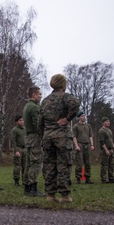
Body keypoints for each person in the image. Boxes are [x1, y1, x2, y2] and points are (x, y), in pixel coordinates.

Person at [39, 74, 79, 203]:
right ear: (63, 84)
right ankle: (64, 195)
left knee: (49, 165)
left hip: (48, 137)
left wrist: (44, 134)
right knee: (64, 165)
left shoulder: (45, 101)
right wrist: (67, 119)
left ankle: (50, 195)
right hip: (62, 136)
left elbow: (40, 122)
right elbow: (75, 104)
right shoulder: (65, 97)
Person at [22, 86, 45, 197]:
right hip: (35, 138)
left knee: (28, 163)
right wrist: (43, 136)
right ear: (34, 95)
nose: (41, 96)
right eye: (39, 94)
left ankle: (27, 187)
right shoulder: (34, 107)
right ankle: (33, 188)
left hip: (29, 138)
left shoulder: (27, 106)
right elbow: (37, 125)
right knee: (35, 163)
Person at [72, 111, 95, 184]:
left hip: (87, 145)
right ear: (79, 117)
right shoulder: (76, 126)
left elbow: (90, 136)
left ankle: (87, 178)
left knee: (88, 162)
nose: (84, 117)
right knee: (79, 162)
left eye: (84, 116)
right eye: (82, 116)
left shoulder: (88, 126)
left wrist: (92, 145)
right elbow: (74, 137)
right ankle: (78, 178)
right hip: (80, 144)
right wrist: (76, 146)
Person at [10, 115, 26, 186]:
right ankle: (16, 180)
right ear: (16, 122)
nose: (22, 121)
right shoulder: (14, 130)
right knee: (17, 166)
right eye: (20, 120)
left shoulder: (25, 129)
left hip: (25, 148)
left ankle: (25, 180)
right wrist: (16, 151)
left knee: (25, 166)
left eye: (22, 120)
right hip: (18, 148)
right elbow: (13, 141)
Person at [98, 117, 114, 183]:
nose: (108, 122)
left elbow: (110, 139)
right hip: (105, 150)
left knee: (111, 165)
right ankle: (104, 179)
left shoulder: (109, 130)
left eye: (109, 121)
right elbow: (102, 142)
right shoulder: (101, 131)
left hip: (111, 150)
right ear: (103, 122)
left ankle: (111, 178)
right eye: (107, 121)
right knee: (104, 165)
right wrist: (106, 150)